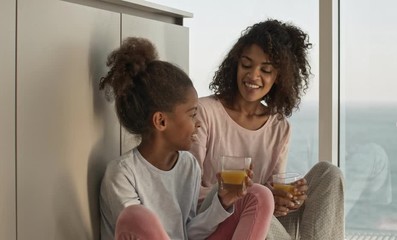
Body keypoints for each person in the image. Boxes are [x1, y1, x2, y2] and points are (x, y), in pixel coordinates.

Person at [98, 37, 274, 240]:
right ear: (161, 121)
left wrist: (223, 202)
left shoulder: (188, 165)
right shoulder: (122, 174)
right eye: (192, 114)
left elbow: (188, 232)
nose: (198, 122)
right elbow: (135, 231)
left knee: (259, 195)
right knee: (138, 217)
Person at [190, 19, 344, 240]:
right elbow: (188, 191)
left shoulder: (279, 127)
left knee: (329, 173)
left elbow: (273, 196)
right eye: (246, 65)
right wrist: (251, 195)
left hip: (262, 225)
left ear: (279, 77)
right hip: (216, 221)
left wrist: (287, 201)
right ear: (235, 65)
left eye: (266, 69)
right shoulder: (205, 112)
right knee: (256, 195)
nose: (253, 76)